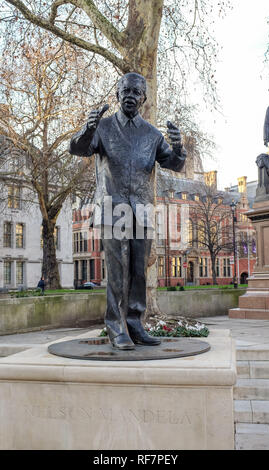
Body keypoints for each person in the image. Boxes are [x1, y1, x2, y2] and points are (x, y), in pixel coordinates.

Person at [69, 72, 187, 350]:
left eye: (136, 92)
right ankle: (115, 327)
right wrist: (87, 128)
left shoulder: (152, 134)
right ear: (117, 94)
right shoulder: (104, 128)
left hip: (143, 209)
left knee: (138, 270)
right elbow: (78, 149)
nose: (130, 96)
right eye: (125, 91)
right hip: (112, 207)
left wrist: (179, 147)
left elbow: (175, 164)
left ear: (144, 98)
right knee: (117, 270)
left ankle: (135, 323)